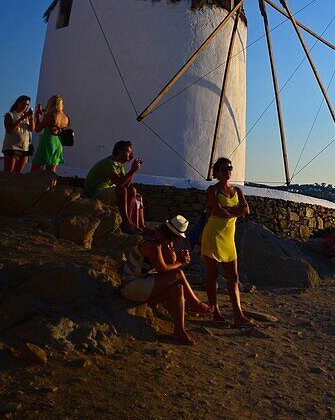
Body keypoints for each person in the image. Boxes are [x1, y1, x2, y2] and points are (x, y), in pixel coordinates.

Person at [120, 215, 212, 345]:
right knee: (178, 273)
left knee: (178, 288)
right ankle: (195, 304)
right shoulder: (152, 244)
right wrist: (180, 262)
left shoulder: (160, 243)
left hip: (142, 284)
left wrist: (174, 253)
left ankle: (179, 331)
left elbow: (171, 262)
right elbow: (163, 269)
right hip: (132, 285)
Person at [200, 157, 253, 327]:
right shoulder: (212, 190)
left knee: (233, 276)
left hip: (228, 238)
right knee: (212, 275)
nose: (228, 171)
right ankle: (215, 313)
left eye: (230, 168)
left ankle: (238, 315)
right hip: (213, 235)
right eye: (223, 169)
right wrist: (236, 212)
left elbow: (246, 210)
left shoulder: (237, 190)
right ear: (216, 172)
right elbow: (218, 211)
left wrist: (229, 211)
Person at [82, 140, 145, 233]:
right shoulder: (109, 163)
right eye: (129, 152)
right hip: (95, 192)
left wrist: (133, 171)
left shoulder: (119, 164)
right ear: (120, 152)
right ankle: (126, 223)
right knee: (122, 190)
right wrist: (132, 171)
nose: (131, 155)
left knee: (132, 190)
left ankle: (135, 224)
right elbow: (119, 184)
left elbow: (126, 185)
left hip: (106, 190)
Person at [31, 94, 68, 173]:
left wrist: (37, 117)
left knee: (35, 171)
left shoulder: (51, 115)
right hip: (58, 143)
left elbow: (37, 129)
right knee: (51, 172)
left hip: (48, 141)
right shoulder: (66, 117)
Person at [1, 96, 34, 173]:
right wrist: (22, 118)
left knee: (18, 173)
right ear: (18, 103)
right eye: (23, 104)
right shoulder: (10, 115)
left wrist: (31, 117)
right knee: (9, 172)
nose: (25, 107)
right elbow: (10, 130)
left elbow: (32, 129)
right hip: (12, 147)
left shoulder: (26, 117)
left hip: (24, 148)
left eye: (27, 105)